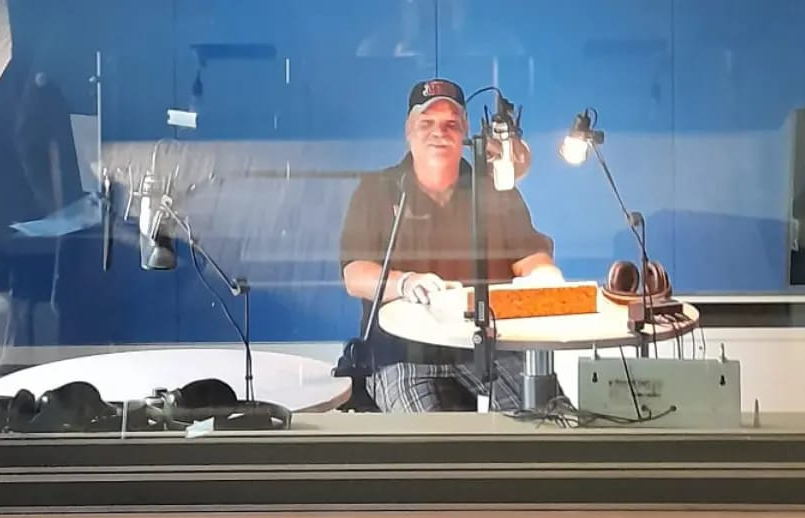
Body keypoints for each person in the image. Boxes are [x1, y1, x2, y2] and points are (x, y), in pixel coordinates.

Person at [339, 78, 564, 412]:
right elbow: (355, 274)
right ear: (408, 130)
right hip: (402, 354)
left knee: (550, 422)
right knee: (431, 440)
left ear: (466, 130)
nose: (439, 133)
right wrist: (405, 283)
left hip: (488, 351)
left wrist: (544, 278)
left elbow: (528, 254)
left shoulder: (494, 190)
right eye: (426, 123)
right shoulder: (377, 190)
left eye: (450, 124)